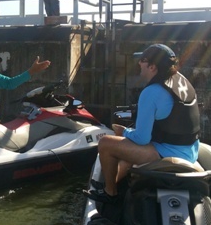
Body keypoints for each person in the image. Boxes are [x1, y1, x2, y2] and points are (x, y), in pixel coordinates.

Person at [84, 43, 200, 203]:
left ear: (152, 67)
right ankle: (115, 179)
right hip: (190, 151)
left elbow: (142, 139)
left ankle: (110, 193)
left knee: (106, 143)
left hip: (170, 154)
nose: (139, 63)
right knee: (128, 149)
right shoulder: (180, 81)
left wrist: (123, 131)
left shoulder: (151, 92)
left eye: (143, 60)